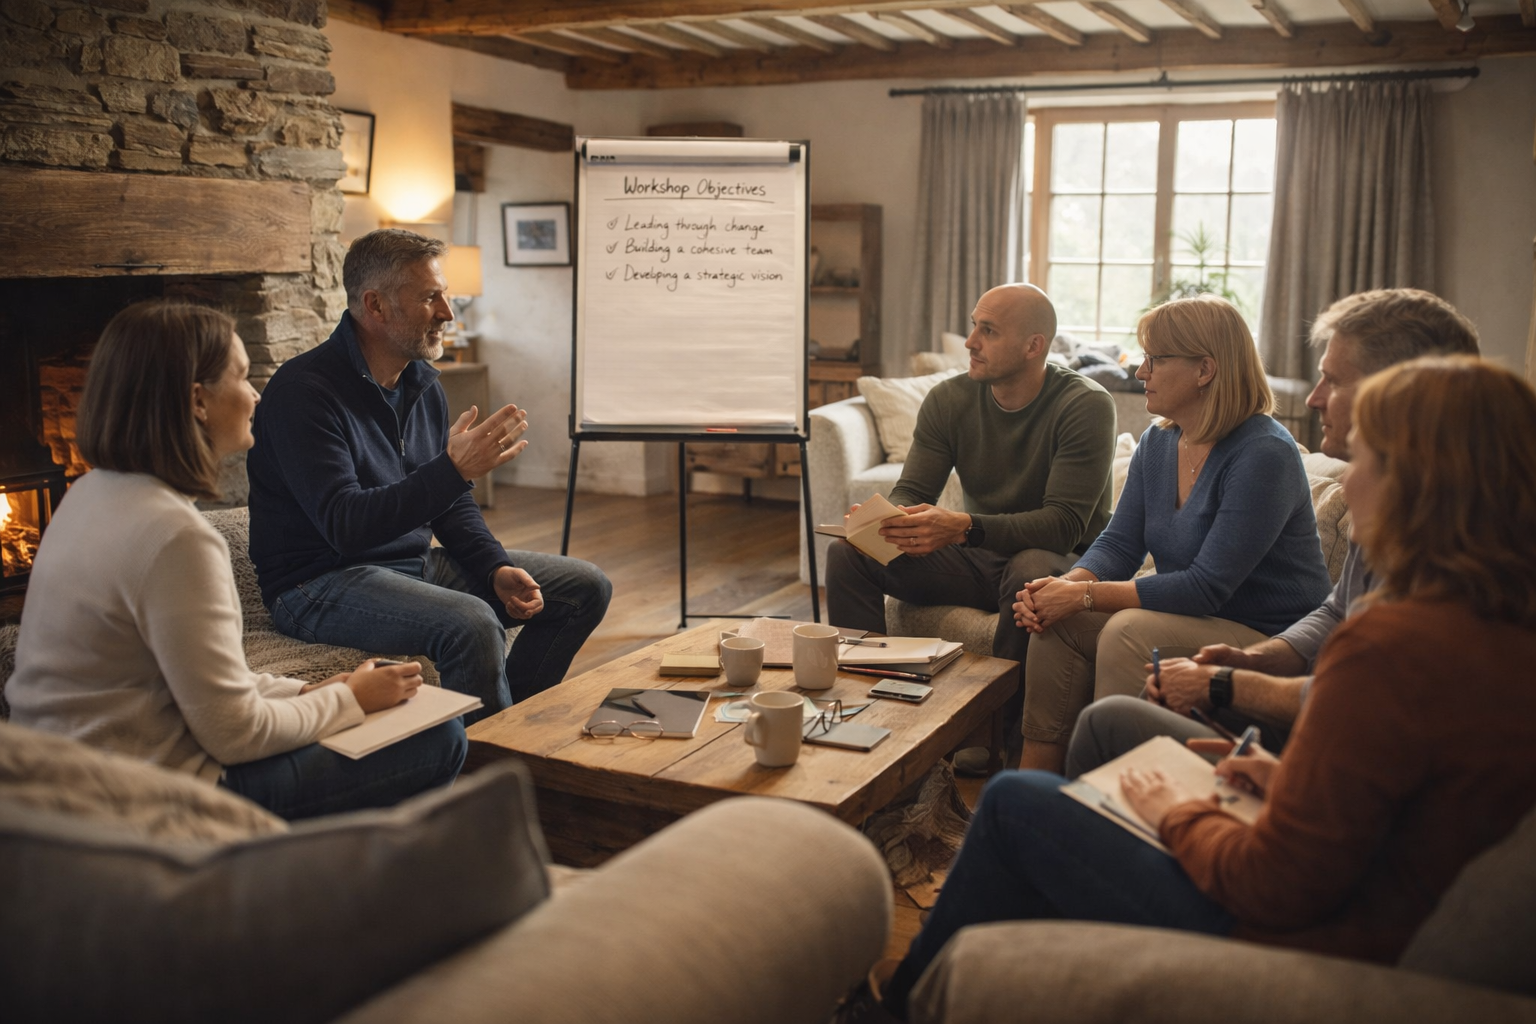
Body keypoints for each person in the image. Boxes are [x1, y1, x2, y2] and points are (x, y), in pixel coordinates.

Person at [879, 355, 1536, 1018]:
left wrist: (1177, 811)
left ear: (1418, 484)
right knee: (1104, 725)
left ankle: (903, 1007)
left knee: (1015, 803)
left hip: (1306, 938)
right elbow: (1410, 800)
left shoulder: (1387, 648)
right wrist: (1283, 782)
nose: (1349, 481)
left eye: (1364, 458)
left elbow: (1272, 886)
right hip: (1352, 893)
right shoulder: (1496, 628)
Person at [7, 300, 466, 820]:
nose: (256, 394)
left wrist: (312, 689)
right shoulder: (178, 538)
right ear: (197, 401)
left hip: (53, 770)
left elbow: (199, 679)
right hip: (140, 792)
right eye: (244, 377)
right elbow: (236, 734)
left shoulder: (90, 493)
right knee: (439, 737)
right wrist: (351, 701)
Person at [1067, 288, 1480, 776]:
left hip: (1323, 768)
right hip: (1300, 725)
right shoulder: (1393, 500)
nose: (1312, 398)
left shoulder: (1459, 545)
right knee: (1102, 717)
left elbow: (1366, 701)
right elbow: (1335, 613)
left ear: (1398, 393)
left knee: (1108, 709)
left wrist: (1226, 684)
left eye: (1332, 379)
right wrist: (1260, 662)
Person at [247, 229, 612, 724]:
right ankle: (491, 772)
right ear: (375, 306)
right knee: (473, 623)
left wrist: (493, 567)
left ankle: (513, 735)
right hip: (319, 582)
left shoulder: (420, 383)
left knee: (584, 587)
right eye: (429, 298)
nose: (447, 313)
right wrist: (454, 470)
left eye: (446, 295)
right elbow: (345, 525)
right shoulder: (303, 392)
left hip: (410, 564)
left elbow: (447, 500)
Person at [1014, 295, 1331, 774]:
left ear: (1205, 370)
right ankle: (1035, 788)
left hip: (1267, 637)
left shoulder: (1264, 453)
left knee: (1126, 630)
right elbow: (1120, 544)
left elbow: (1206, 586)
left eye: (1155, 359)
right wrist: (1065, 587)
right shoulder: (1159, 442)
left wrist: (1084, 597)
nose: (1141, 372)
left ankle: (1109, 797)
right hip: (1196, 618)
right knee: (1059, 624)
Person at [825, 282, 1117, 669]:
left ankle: (1007, 722)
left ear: (1033, 346)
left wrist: (964, 528)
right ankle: (865, 694)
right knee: (849, 554)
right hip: (980, 558)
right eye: (974, 325)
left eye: (988, 331)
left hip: (1060, 561)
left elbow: (1062, 525)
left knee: (1028, 569)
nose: (970, 342)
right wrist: (884, 519)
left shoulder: (1086, 405)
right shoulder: (949, 400)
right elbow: (913, 488)